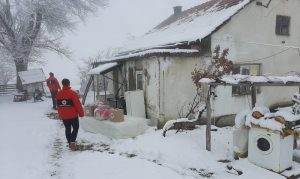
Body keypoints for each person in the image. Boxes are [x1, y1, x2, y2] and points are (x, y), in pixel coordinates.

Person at [56, 78, 84, 150]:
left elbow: (58, 106)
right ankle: (72, 142)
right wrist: (81, 114)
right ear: (69, 84)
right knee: (75, 128)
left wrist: (60, 115)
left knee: (67, 128)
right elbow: (78, 104)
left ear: (62, 84)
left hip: (64, 116)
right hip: (73, 115)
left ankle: (69, 142)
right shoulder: (73, 93)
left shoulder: (58, 94)